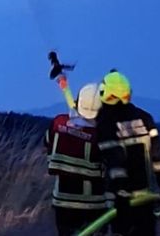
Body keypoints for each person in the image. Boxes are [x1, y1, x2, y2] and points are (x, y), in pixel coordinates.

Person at [96, 70, 160, 236]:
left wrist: (121, 196)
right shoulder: (145, 118)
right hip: (147, 198)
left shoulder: (106, 123)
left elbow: (115, 162)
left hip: (122, 204)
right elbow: (158, 160)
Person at [45, 83, 107, 236]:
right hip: (94, 204)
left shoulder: (58, 123)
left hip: (62, 201)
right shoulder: (102, 134)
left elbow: (47, 142)